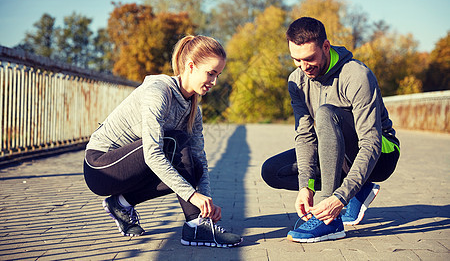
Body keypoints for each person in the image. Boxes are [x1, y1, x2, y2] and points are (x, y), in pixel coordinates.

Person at [83, 35, 243, 248]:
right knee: (174, 141)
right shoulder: (158, 92)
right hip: (101, 167)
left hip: (133, 168)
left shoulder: (194, 109)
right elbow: (152, 154)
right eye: (211, 73)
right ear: (191, 66)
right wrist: (193, 196)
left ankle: (120, 203)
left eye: (218, 75)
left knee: (193, 166)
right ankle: (195, 226)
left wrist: (206, 202)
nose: (214, 82)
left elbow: (200, 158)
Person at [261, 17, 400, 243]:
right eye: (296, 60)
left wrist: (339, 198)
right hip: (338, 153)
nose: (304, 67)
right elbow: (305, 136)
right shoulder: (296, 81)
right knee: (273, 171)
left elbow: (371, 143)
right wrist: (305, 186)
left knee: (326, 113)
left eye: (309, 59)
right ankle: (356, 189)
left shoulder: (356, 75)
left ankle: (330, 221)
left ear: (326, 46)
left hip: (381, 155)